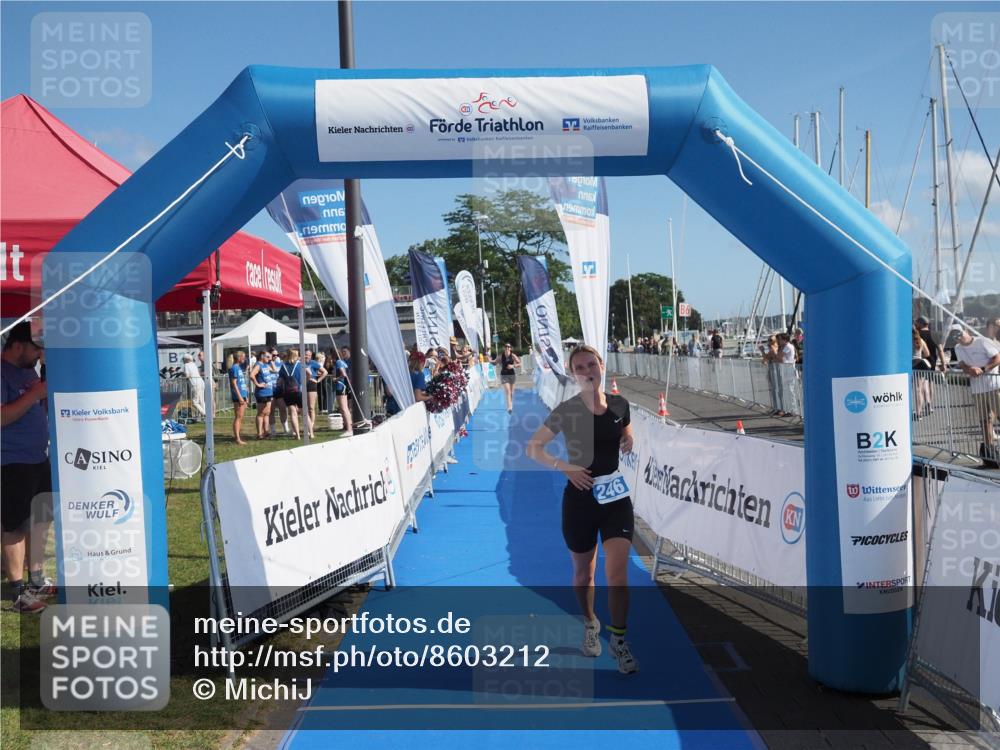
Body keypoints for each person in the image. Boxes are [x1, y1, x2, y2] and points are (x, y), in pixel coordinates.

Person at [525, 344, 638, 674]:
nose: (588, 371)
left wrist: (628, 439)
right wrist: (565, 467)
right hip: (580, 500)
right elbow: (534, 447)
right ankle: (590, 623)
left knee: (617, 574)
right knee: (583, 574)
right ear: (573, 374)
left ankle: (619, 641)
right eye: (580, 368)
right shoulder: (568, 410)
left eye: (592, 364)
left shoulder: (619, 404)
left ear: (602, 365)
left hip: (615, 498)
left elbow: (625, 427)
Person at [1, 323, 55, 613]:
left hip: (37, 457)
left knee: (40, 520)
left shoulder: (29, 371)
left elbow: (32, 409)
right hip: (11, 461)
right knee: (15, 525)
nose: (39, 355)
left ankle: (36, 578)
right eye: (36, 348)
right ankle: (18, 591)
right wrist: (34, 395)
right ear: (18, 346)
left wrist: (40, 395)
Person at [954, 327, 1000, 468]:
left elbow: (997, 357)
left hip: (994, 386)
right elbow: (963, 366)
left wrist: (983, 369)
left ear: (967, 331)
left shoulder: (982, 342)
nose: (959, 337)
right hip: (977, 390)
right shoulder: (957, 348)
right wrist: (970, 370)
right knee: (984, 421)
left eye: (960, 333)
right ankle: (989, 452)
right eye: (955, 336)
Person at [249, 351, 275, 440]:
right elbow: (252, 375)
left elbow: (275, 370)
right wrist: (258, 384)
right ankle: (259, 433)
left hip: (269, 391)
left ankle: (266, 431)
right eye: (268, 356)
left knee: (267, 413)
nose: (269, 358)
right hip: (262, 392)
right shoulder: (258, 365)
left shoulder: (266, 365)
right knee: (261, 413)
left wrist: (271, 361)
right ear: (262, 357)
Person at [278, 349, 303, 440]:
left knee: (293, 413)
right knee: (304, 412)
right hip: (298, 390)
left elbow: (280, 380)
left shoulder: (283, 366)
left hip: (288, 392)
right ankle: (311, 433)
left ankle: (297, 435)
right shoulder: (300, 365)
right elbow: (308, 374)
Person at [304, 350, 326, 440]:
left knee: (311, 407)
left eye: (309, 355)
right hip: (301, 384)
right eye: (306, 355)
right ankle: (306, 426)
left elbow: (325, 372)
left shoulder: (313, 363)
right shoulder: (299, 362)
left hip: (311, 385)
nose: (307, 356)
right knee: (301, 408)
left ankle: (311, 426)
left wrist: (318, 380)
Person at [493, 343, 521, 414]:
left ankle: (511, 404)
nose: (507, 348)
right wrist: (490, 360)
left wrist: (513, 366)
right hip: (504, 375)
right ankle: (509, 407)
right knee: (508, 391)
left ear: (510, 348)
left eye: (509, 347)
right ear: (504, 348)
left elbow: (519, 364)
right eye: (506, 346)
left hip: (512, 374)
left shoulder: (513, 355)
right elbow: (495, 363)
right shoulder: (501, 356)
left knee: (511, 392)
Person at [911, 326, 932, 419]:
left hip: (912, 364)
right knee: (921, 387)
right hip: (921, 364)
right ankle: (926, 405)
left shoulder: (905, 340)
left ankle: (918, 412)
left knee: (916, 389)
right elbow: (927, 354)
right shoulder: (921, 340)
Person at [228, 351, 249, 445]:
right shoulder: (234, 368)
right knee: (238, 417)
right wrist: (240, 397)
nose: (244, 359)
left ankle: (238, 436)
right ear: (239, 357)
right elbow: (234, 383)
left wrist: (246, 396)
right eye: (243, 357)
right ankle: (237, 438)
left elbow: (242, 383)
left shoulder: (238, 368)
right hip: (238, 396)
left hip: (242, 395)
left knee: (240, 417)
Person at [182, 354, 206, 419]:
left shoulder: (186, 365)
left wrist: (183, 375)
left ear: (185, 360)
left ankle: (204, 414)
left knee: (195, 402)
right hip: (201, 382)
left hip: (194, 383)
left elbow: (187, 375)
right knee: (201, 400)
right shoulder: (193, 364)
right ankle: (202, 416)